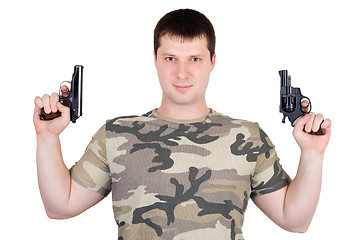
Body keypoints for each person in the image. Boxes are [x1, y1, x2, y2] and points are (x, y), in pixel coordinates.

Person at [33, 9, 331, 240]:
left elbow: (295, 220)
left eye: (195, 59)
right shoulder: (116, 134)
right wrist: (48, 136)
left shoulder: (246, 136)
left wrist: (313, 154)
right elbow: (60, 207)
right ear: (155, 59)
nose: (182, 72)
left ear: (213, 61)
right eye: (171, 58)